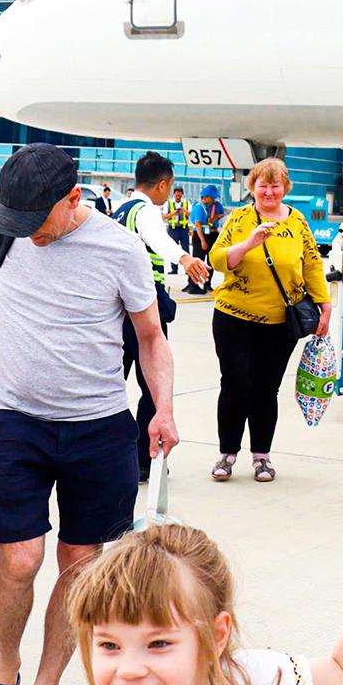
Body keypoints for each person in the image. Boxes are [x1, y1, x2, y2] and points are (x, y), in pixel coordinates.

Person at [0, 142, 177, 685]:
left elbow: (150, 337)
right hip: (14, 419)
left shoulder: (119, 248)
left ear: (73, 198)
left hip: (99, 427)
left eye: (37, 219)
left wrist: (162, 408)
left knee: (80, 563)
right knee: (19, 559)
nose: (25, 231)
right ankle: (4, 674)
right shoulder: (2, 231)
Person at [65, 519, 343, 685]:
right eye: (109, 645)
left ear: (216, 635)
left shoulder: (259, 684)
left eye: (158, 643)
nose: (129, 670)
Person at [207, 158, 331, 484]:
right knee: (235, 383)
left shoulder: (298, 221)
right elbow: (217, 258)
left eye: (275, 186)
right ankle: (227, 453)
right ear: (252, 187)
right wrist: (249, 243)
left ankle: (261, 456)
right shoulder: (240, 218)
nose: (269, 192)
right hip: (234, 316)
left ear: (285, 188)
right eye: (263, 185)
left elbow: (312, 265)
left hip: (280, 323)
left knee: (266, 388)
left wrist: (325, 305)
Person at [113, 152, 211, 483]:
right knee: (154, 385)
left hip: (115, 310)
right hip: (143, 308)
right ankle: (145, 458)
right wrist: (185, 258)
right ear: (163, 184)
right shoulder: (146, 212)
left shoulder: (121, 210)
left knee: (112, 384)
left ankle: (113, 453)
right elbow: (157, 239)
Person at [185, 185, 224, 294]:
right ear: (206, 197)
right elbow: (198, 225)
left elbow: (221, 214)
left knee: (211, 261)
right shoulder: (199, 207)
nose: (214, 199)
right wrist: (203, 241)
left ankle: (207, 284)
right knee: (198, 260)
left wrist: (216, 217)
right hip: (200, 236)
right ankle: (193, 285)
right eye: (212, 197)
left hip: (213, 234)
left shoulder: (217, 205)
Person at [162, 185, 191, 273]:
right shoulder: (168, 203)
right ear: (174, 194)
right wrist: (173, 213)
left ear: (182, 194)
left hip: (184, 229)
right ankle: (174, 269)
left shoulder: (186, 203)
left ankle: (187, 269)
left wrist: (184, 211)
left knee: (186, 249)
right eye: (176, 194)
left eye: (179, 194)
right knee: (173, 249)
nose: (178, 196)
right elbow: (164, 216)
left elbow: (191, 215)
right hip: (172, 229)